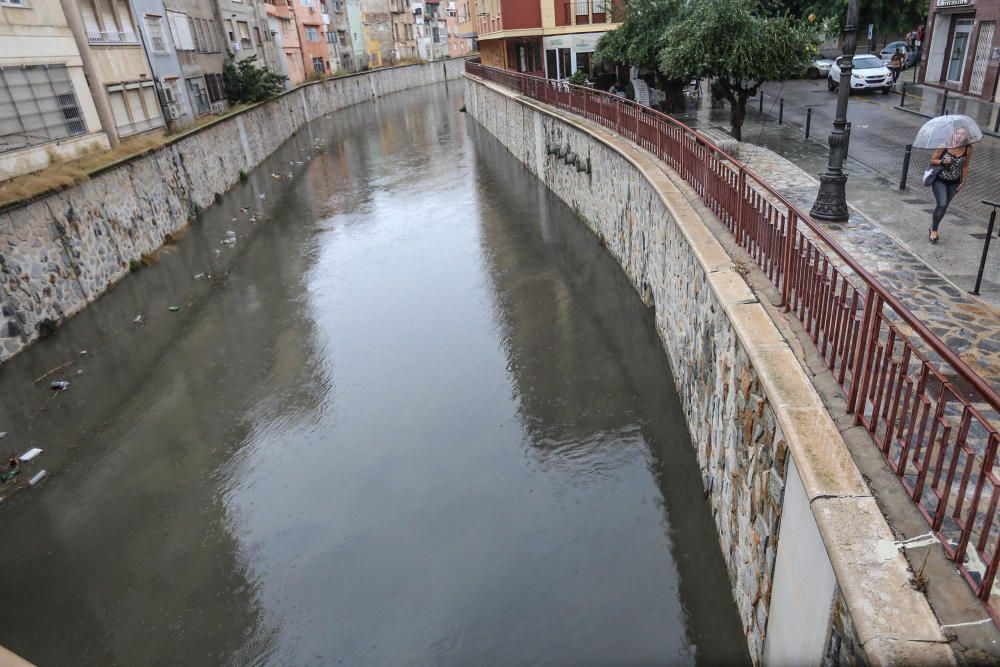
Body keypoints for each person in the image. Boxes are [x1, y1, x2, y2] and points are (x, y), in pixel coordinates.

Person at [929, 127, 973, 243]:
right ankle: (934, 230)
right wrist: (942, 161)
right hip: (940, 180)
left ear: (966, 137)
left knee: (944, 206)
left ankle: (933, 226)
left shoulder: (967, 149)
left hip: (954, 182)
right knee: (942, 204)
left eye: (963, 134)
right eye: (957, 133)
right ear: (953, 135)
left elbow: (965, 165)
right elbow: (933, 160)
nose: (959, 136)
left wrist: (963, 181)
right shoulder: (944, 145)